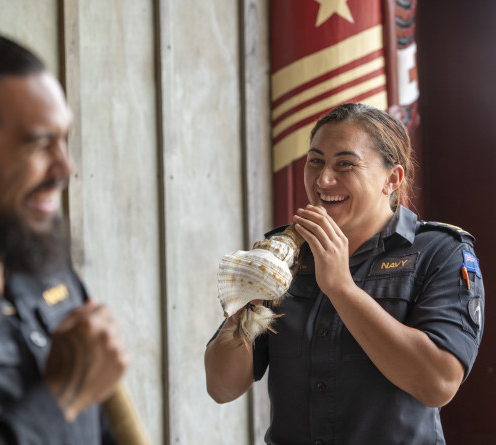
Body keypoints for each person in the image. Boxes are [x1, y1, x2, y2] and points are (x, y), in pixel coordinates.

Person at [205, 103, 484, 444]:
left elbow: (438, 384)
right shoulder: (286, 252)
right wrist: (246, 301)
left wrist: (341, 288)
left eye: (345, 165)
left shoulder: (440, 252)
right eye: (315, 161)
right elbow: (222, 387)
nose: (323, 179)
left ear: (391, 179)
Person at [0, 28, 129, 443]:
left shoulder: (44, 267)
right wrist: (62, 399)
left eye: (64, 139)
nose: (65, 168)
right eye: (39, 144)